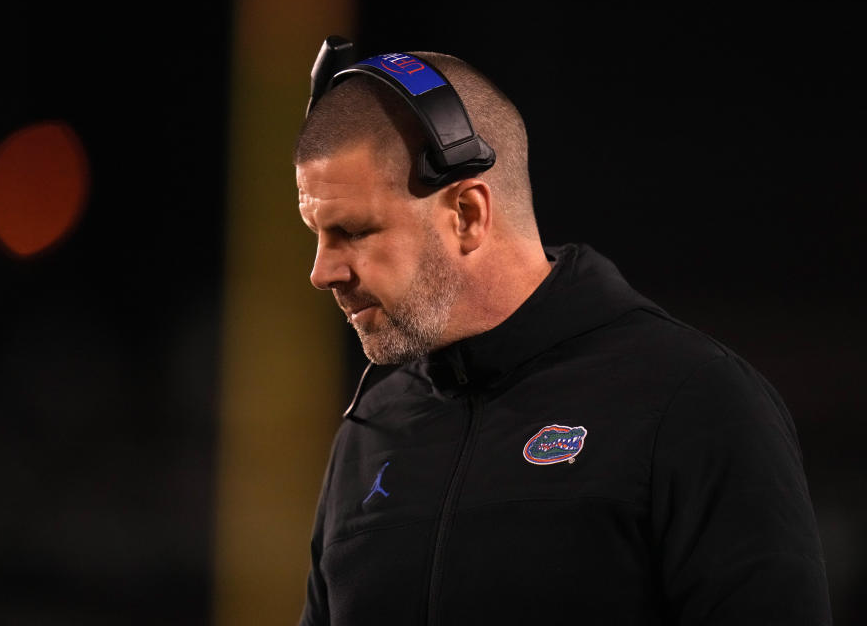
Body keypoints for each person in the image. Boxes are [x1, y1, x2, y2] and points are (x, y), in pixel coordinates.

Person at [293, 49, 832, 625]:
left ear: (469, 214)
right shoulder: (371, 430)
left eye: (353, 231)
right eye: (317, 234)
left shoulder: (693, 399)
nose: (322, 272)